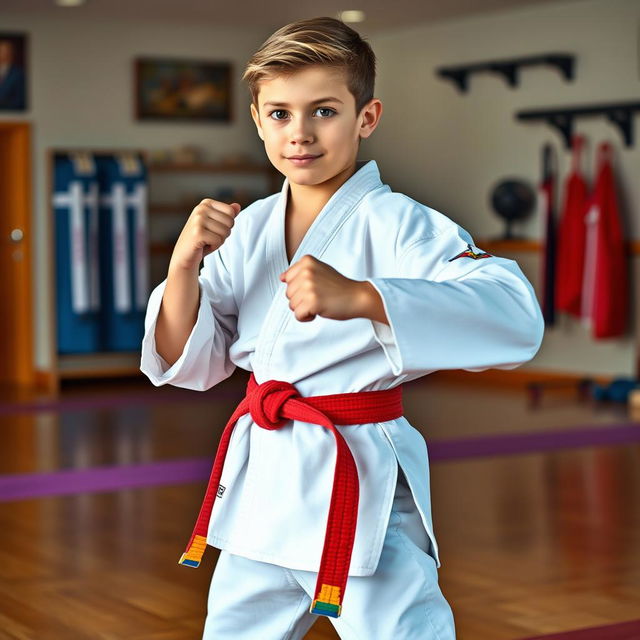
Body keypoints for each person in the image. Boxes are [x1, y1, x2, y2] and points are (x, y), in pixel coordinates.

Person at [139, 15, 545, 640]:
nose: (299, 134)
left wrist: (364, 296)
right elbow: (185, 361)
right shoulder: (246, 229)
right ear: (256, 119)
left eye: (323, 111)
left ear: (367, 117)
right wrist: (183, 263)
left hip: (357, 483)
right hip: (263, 484)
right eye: (279, 114)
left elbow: (515, 314)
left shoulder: (403, 226)